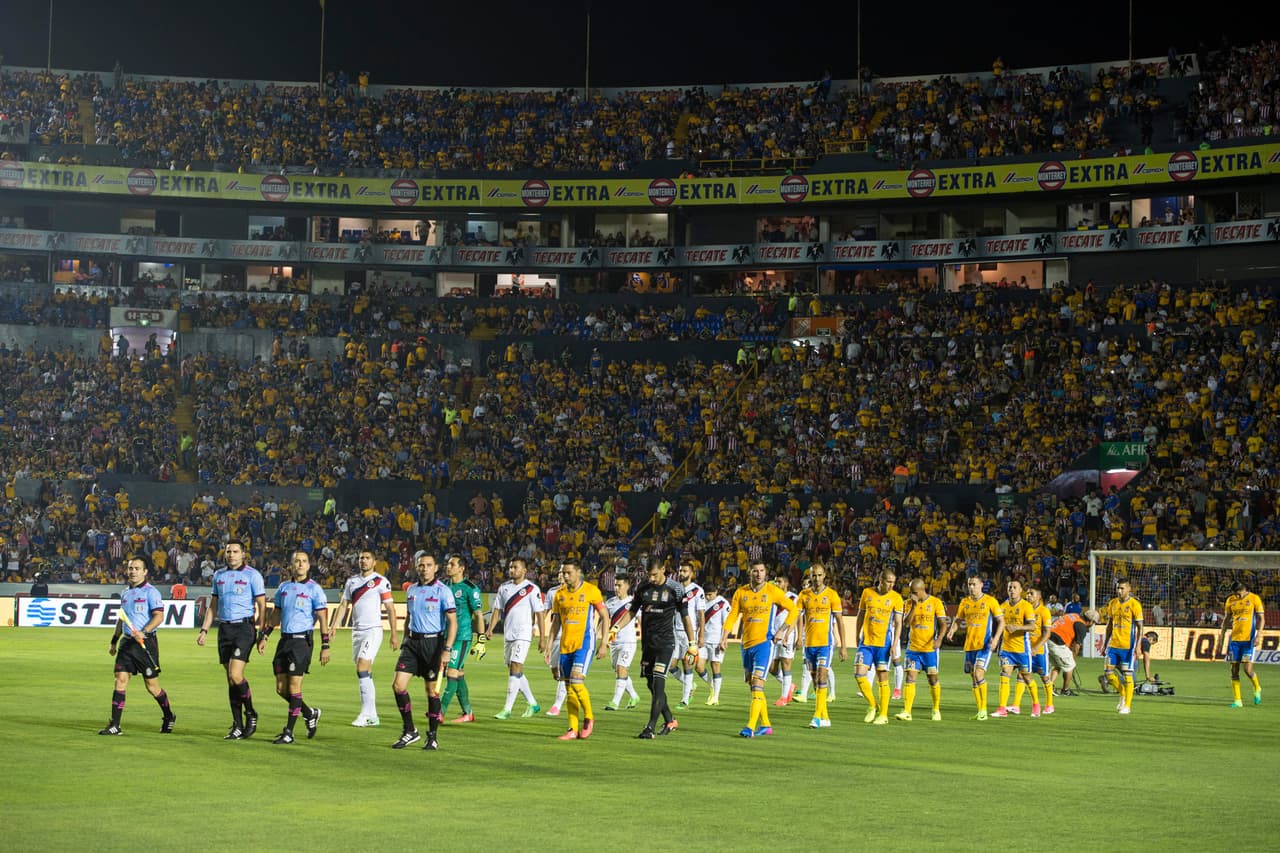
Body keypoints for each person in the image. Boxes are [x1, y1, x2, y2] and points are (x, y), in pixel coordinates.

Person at [611, 559, 695, 738]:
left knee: (658, 684)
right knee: (651, 684)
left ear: (663, 569)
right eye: (649, 574)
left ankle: (649, 728)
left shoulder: (676, 589)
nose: (652, 578)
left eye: (655, 574)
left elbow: (686, 617)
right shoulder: (643, 588)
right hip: (648, 645)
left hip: (665, 644)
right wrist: (616, 627)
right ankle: (670, 720)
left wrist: (692, 643)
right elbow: (632, 611)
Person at [718, 560, 798, 738]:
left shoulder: (772, 591)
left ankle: (750, 727)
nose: (759, 574)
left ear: (765, 573)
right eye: (755, 571)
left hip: (764, 644)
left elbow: (794, 610)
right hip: (746, 645)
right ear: (750, 573)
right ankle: (767, 725)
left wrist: (782, 631)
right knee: (752, 686)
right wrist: (724, 637)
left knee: (757, 684)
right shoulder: (741, 592)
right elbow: (732, 616)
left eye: (762, 571)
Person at [197, 540, 266, 739]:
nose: (231, 555)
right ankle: (237, 724)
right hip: (224, 629)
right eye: (228, 552)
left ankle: (251, 713)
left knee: (236, 675)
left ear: (243, 554)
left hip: (244, 628)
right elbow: (213, 605)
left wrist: (262, 633)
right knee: (230, 679)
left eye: (235, 551)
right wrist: (204, 630)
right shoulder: (219, 575)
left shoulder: (253, 575)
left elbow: (261, 605)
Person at [257, 551, 328, 744]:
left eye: (304, 561)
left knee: (295, 687)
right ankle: (309, 713)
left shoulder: (315, 589)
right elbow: (277, 614)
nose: (301, 564)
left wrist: (325, 645)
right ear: (291, 565)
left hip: (301, 642)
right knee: (281, 689)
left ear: (309, 565)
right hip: (284, 641)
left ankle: (289, 732)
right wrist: (265, 635)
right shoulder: (284, 588)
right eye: (297, 561)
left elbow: (322, 617)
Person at [99, 557, 175, 735]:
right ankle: (115, 725)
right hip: (127, 643)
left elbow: (158, 616)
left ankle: (169, 715)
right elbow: (122, 618)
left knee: (152, 687)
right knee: (120, 680)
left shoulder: (151, 592)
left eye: (137, 568)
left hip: (145, 643)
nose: (133, 571)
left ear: (145, 572)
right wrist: (114, 640)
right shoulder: (125, 593)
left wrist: (144, 631)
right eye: (131, 568)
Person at [390, 552, 457, 750]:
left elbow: (452, 623)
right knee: (398, 686)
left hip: (433, 644)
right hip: (412, 643)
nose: (424, 568)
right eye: (421, 565)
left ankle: (433, 736)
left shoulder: (443, 591)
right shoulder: (411, 590)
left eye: (428, 565)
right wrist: (404, 640)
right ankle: (410, 730)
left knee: (431, 691)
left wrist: (447, 649)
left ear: (435, 568)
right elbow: (409, 617)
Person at [327, 549, 399, 727]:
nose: (363, 561)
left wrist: (394, 634)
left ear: (374, 562)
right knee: (364, 672)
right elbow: (344, 605)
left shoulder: (381, 582)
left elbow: (390, 609)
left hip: (373, 630)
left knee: (362, 667)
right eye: (361, 558)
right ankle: (372, 715)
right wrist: (334, 626)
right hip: (356, 631)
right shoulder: (352, 581)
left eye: (367, 558)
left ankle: (366, 714)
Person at [543, 560, 609, 740]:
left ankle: (589, 717)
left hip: (584, 643)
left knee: (577, 683)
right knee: (568, 688)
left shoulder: (590, 590)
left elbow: (604, 615)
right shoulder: (559, 594)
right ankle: (572, 729)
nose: (565, 576)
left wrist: (604, 643)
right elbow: (556, 622)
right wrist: (549, 647)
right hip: (565, 644)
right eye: (563, 573)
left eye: (568, 573)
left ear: (578, 572)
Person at [485, 557, 546, 719]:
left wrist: (542, 637)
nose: (512, 570)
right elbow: (497, 610)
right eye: (511, 567)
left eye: (516, 567)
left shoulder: (532, 589)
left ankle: (507, 709)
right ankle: (533, 703)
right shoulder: (504, 588)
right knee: (514, 670)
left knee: (515, 667)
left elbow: (540, 614)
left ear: (524, 571)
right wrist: (490, 629)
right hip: (509, 634)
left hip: (523, 634)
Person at [795, 563, 847, 728]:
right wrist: (798, 637)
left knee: (821, 677)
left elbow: (839, 621)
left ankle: (817, 717)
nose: (816, 578)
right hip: (809, 644)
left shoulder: (832, 595)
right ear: (809, 577)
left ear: (825, 575)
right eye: (813, 575)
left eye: (819, 575)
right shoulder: (804, 595)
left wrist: (843, 646)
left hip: (825, 643)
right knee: (816, 682)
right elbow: (798, 617)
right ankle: (825, 717)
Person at [946, 575, 1004, 720]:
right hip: (969, 645)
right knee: (973, 678)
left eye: (974, 584)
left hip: (985, 644)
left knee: (979, 674)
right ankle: (980, 710)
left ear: (981, 585)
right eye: (969, 584)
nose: (971, 587)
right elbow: (958, 619)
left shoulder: (990, 601)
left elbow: (1001, 622)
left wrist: (996, 639)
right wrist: (953, 629)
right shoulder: (965, 602)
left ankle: (984, 709)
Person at [852, 569, 905, 725]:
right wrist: (856, 635)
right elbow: (861, 615)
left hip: (884, 644)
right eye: (888, 581)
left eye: (893, 582)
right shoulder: (867, 593)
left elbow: (898, 623)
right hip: (866, 642)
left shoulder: (896, 598)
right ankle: (872, 705)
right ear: (880, 580)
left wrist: (895, 644)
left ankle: (883, 714)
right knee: (859, 674)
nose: (891, 585)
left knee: (882, 678)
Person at [441, 554, 485, 723]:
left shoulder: (470, 588)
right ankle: (468, 713)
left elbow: (479, 615)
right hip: (445, 637)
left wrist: (480, 641)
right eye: (448, 563)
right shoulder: (444, 586)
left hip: (462, 637)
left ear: (461, 568)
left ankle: (439, 712)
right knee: (458, 674)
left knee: (451, 672)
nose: (448, 566)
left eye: (452, 564)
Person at [895, 578, 946, 722]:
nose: (911, 595)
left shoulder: (935, 602)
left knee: (933, 679)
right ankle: (907, 711)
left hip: (930, 649)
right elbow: (906, 623)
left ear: (922, 590)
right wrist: (914, 606)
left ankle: (936, 709)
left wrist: (939, 639)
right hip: (913, 649)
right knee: (910, 677)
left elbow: (943, 624)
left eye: (914, 592)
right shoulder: (908, 604)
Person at [991, 579, 1039, 718]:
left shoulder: (1026, 606)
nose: (1011, 590)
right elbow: (999, 625)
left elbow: (1032, 626)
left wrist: (1017, 627)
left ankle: (1036, 704)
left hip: (1022, 649)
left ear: (1020, 590)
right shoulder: (1002, 606)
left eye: (1014, 587)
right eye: (1009, 587)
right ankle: (1002, 708)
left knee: (1027, 677)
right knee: (1004, 675)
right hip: (1006, 648)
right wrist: (995, 641)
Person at [1102, 580, 1144, 715]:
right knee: (1108, 674)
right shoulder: (1112, 603)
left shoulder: (1134, 604)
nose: (1119, 591)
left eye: (1122, 588)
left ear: (1129, 589)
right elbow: (1109, 625)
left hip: (1128, 647)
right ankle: (1123, 693)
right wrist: (1104, 644)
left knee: (1128, 676)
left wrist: (1138, 646)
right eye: (1117, 588)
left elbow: (1140, 627)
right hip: (1113, 645)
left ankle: (1127, 706)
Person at [1221, 580, 1265, 707]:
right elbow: (1226, 620)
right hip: (1235, 641)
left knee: (1247, 670)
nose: (1237, 596)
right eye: (1235, 594)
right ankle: (1238, 701)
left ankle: (1257, 688)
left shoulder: (1254, 599)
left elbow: (1262, 618)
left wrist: (1259, 635)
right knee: (1234, 670)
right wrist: (1221, 637)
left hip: (1249, 641)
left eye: (1239, 594)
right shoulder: (1230, 600)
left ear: (1245, 589)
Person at [1013, 587, 1056, 715]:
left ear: (1039, 597)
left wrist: (1037, 647)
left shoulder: (1044, 611)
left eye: (1032, 594)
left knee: (1044, 677)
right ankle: (1016, 705)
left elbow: (1047, 633)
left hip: (1040, 650)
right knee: (1021, 675)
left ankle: (1049, 704)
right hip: (1025, 650)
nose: (1028, 596)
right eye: (1027, 594)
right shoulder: (1025, 609)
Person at [673, 560, 706, 709]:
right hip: (674, 632)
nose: (682, 573)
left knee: (687, 664)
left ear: (691, 574)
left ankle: (685, 699)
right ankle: (691, 685)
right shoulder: (675, 589)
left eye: (685, 571)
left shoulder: (697, 591)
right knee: (670, 666)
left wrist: (701, 635)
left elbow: (701, 614)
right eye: (680, 571)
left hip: (689, 634)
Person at [604, 576, 640, 711]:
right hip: (614, 642)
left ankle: (615, 702)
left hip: (629, 641)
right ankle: (634, 695)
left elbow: (641, 620)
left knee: (621, 668)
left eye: (619, 585)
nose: (616, 588)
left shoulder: (634, 602)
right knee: (619, 670)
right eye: (615, 585)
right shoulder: (610, 603)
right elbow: (605, 621)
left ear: (627, 586)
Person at [1047, 609, 1096, 696]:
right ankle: (1065, 690)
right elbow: (1077, 646)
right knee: (1070, 665)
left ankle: (1049, 686)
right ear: (1090, 621)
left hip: (1049, 638)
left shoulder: (1074, 615)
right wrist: (1073, 658)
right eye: (1094, 622)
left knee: (1057, 664)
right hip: (1057, 641)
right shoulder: (1082, 626)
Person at [769, 574, 799, 706]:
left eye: (779, 581)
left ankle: (784, 697)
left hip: (787, 635)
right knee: (771, 668)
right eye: (775, 581)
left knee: (786, 664)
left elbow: (796, 617)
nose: (777, 584)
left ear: (786, 583)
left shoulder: (793, 598)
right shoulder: (773, 597)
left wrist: (791, 635)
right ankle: (790, 686)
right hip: (773, 636)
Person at [700, 579, 730, 706]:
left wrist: (724, 639)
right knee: (699, 666)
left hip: (716, 641)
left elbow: (727, 623)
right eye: (706, 594)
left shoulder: (723, 604)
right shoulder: (702, 602)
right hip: (703, 640)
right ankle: (712, 686)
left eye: (710, 594)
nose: (708, 597)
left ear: (716, 592)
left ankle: (715, 697)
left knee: (715, 667)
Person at [543, 566, 567, 717]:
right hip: (555, 636)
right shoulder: (553, 592)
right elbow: (545, 611)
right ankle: (568, 687)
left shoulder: (578, 592)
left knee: (564, 671)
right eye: (559, 572)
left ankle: (557, 705)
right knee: (555, 670)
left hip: (569, 636)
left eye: (563, 572)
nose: (560, 575)